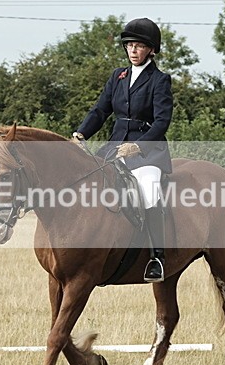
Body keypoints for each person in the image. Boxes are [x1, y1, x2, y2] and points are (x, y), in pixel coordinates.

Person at [72, 17, 173, 283]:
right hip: (114, 148)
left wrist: (138, 145)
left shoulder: (160, 80)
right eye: (130, 45)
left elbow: (162, 121)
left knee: (149, 191)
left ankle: (157, 258)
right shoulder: (118, 76)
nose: (133, 51)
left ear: (151, 50)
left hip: (147, 151)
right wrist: (81, 133)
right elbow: (101, 110)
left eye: (139, 46)